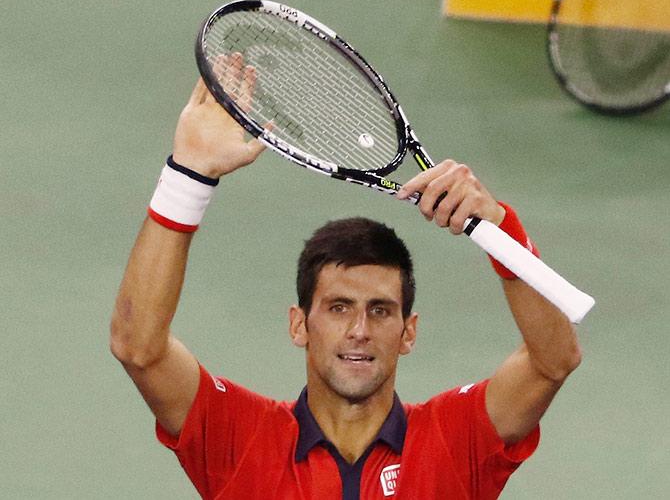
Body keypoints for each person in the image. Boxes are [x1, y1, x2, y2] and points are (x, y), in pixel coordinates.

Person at [110, 68, 582, 499]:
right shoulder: (241, 438)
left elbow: (552, 361)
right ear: (300, 325)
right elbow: (138, 348)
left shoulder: (455, 440)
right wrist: (187, 176)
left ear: (408, 332)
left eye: (380, 310)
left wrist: (501, 229)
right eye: (338, 307)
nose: (359, 329)